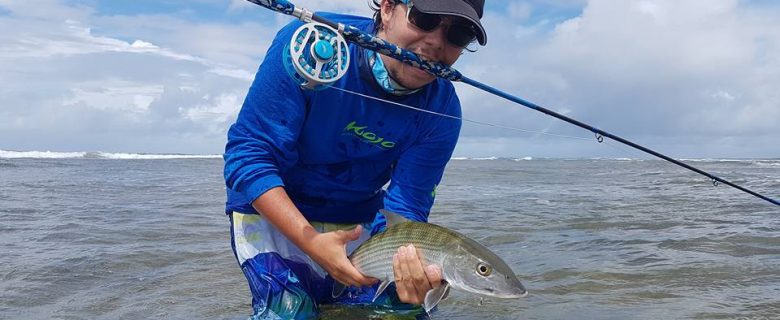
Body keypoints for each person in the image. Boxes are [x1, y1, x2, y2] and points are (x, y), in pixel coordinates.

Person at [223, 0, 488, 318]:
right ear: (388, 7)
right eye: (425, 18)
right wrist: (311, 243)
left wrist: (409, 276)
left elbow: (405, 209)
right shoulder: (306, 48)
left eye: (458, 33)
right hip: (270, 211)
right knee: (291, 311)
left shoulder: (442, 111)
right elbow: (248, 155)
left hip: (357, 222)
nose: (435, 42)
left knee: (400, 312)